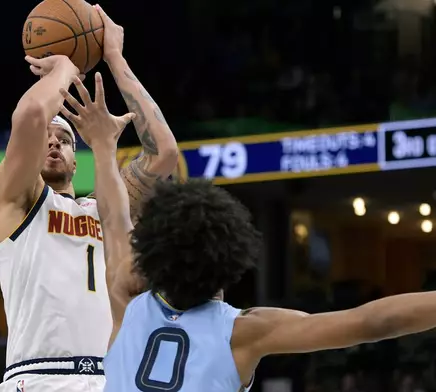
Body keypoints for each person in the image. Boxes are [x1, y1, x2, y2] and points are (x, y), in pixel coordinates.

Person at [69, 85, 436, 390]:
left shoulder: (126, 298)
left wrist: (102, 146)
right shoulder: (244, 331)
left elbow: (114, 214)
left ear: (152, 256)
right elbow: (373, 322)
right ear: (230, 263)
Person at [0, 4, 178, 392]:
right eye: (47, 139)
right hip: (38, 375)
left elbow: (164, 154)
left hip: (114, 377)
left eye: (66, 141)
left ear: (77, 160)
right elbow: (28, 118)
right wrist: (64, 70)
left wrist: (114, 58)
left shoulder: (108, 209)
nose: (54, 143)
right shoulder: (17, 205)